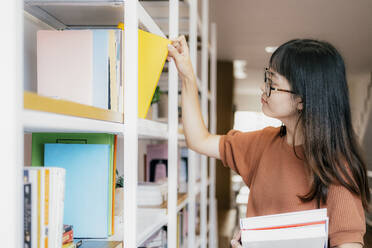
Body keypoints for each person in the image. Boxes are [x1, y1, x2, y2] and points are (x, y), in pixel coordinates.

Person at [167, 37, 370, 248]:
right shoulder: (263, 143)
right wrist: (187, 76)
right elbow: (199, 140)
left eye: (272, 84)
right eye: (267, 78)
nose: (263, 90)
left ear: (301, 100)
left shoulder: (338, 168)